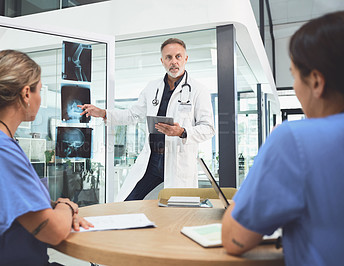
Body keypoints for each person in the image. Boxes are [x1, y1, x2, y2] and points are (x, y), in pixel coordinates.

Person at [0, 50, 93, 265]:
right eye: (39, 91)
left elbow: (18, 202)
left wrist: (57, 210)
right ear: (26, 94)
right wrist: (66, 207)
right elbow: (51, 232)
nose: (40, 99)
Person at [221, 11, 344, 266]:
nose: (296, 87)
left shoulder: (295, 139)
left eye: (294, 75)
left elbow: (234, 239)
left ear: (317, 81)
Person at [79, 38, 215, 201]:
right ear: (162, 61)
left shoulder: (199, 90)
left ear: (186, 59)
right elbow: (132, 114)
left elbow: (208, 128)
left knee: (177, 209)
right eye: (168, 57)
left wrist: (182, 132)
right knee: (127, 201)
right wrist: (103, 113)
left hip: (178, 163)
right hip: (152, 160)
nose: (174, 62)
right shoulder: (152, 87)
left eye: (178, 57)